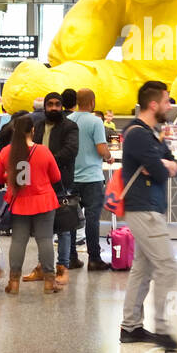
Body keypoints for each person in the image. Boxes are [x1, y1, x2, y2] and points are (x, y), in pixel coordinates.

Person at [117, 81, 177, 349]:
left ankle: (130, 326)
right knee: (167, 266)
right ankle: (164, 329)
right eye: (166, 101)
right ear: (153, 104)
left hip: (149, 207)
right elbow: (160, 170)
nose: (169, 106)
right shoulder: (138, 135)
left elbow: (173, 165)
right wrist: (163, 165)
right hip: (143, 208)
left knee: (142, 270)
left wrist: (164, 164)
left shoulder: (151, 133)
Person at [0, 114, 63, 295]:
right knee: (45, 240)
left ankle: (13, 283)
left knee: (18, 241)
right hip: (44, 201)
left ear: (14, 131)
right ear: (33, 130)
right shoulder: (43, 151)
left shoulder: (7, 151)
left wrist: (9, 177)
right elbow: (56, 177)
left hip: (19, 202)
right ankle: (49, 282)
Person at [24, 91, 78, 284]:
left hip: (61, 183)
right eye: (50, 104)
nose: (54, 108)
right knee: (42, 228)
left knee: (63, 228)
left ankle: (62, 267)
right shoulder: (37, 126)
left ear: (62, 106)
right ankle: (42, 266)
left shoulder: (70, 126)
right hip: (39, 184)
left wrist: (46, 162)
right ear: (45, 106)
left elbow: (71, 151)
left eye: (57, 104)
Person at [68, 88, 111, 271]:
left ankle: (70, 257)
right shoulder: (95, 121)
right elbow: (101, 149)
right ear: (92, 102)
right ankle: (94, 259)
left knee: (69, 219)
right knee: (92, 219)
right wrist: (109, 156)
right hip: (92, 179)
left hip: (71, 178)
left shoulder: (68, 120)